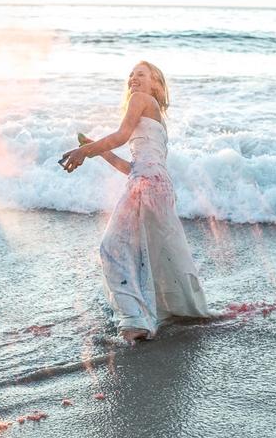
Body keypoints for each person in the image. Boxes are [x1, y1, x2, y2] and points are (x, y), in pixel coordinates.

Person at [61, 61, 211, 343]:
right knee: (153, 252)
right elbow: (131, 166)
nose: (133, 78)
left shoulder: (141, 99)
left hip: (145, 184)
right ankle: (167, 312)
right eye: (130, 75)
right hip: (159, 184)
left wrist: (85, 151)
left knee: (112, 248)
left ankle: (135, 320)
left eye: (140, 74)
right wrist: (98, 152)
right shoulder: (157, 119)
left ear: (155, 83)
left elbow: (120, 136)